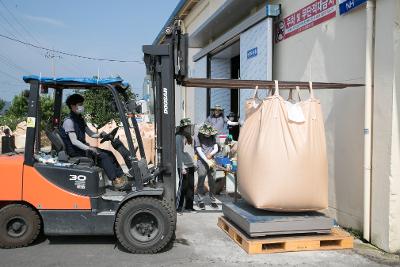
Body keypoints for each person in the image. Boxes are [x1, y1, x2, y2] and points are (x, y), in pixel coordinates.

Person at [59, 93, 129, 190]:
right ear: (72, 106)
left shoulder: (80, 119)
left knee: (109, 153)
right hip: (75, 151)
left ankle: (122, 177)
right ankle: (115, 180)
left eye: (82, 104)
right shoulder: (69, 121)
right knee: (103, 156)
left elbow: (91, 134)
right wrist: (89, 148)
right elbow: (74, 141)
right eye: (80, 104)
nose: (82, 107)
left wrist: (102, 135)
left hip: (82, 148)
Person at [194, 123, 219, 210]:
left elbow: (216, 148)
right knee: (201, 180)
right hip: (202, 161)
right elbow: (199, 150)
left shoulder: (213, 136)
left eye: (209, 133)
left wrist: (211, 154)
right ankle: (200, 201)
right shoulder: (198, 137)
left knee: (212, 181)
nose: (208, 134)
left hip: (211, 160)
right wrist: (207, 160)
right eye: (207, 133)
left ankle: (213, 200)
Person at [175, 118, 196, 213]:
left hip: (190, 165)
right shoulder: (178, 137)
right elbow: (179, 153)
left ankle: (189, 207)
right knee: (182, 187)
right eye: (188, 126)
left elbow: (191, 152)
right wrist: (182, 166)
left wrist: (194, 164)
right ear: (184, 127)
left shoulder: (188, 137)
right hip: (183, 166)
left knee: (190, 187)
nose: (190, 128)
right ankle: (178, 207)